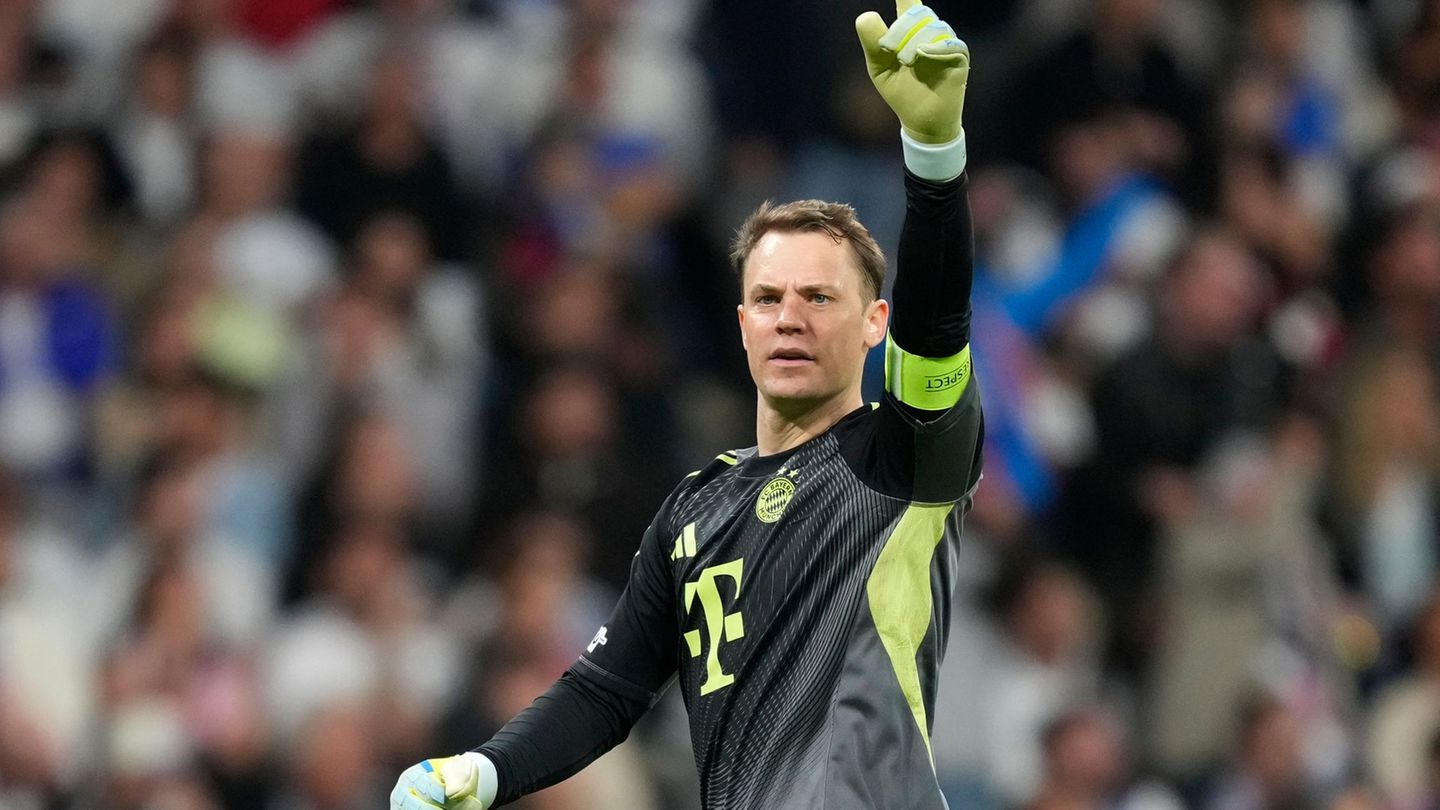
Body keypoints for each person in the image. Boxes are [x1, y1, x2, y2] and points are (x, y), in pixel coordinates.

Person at [391, 1, 981, 807]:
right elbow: (604, 691)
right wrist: (487, 769)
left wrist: (935, 156)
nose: (792, 317)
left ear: (876, 322)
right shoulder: (693, 514)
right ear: (741, 326)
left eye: (821, 296)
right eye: (768, 297)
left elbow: (940, 324)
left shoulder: (902, 460)